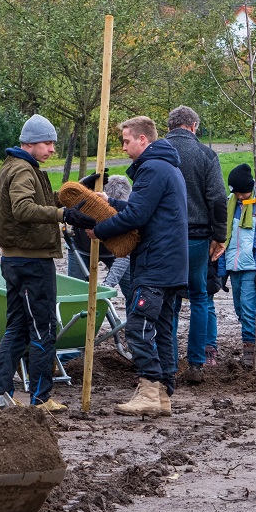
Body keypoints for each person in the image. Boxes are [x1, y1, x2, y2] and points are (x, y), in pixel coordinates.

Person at [0, 114, 87, 412]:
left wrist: (65, 198)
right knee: (42, 329)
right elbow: (23, 208)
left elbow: (36, 201)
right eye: (48, 143)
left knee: (17, 327)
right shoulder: (22, 171)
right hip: (33, 263)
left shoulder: (18, 166)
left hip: (16, 261)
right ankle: (41, 399)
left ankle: (0, 393)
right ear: (30, 142)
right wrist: (63, 215)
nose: (52, 150)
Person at [93, 116, 189, 416]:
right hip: (172, 263)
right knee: (162, 328)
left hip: (155, 263)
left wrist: (99, 229)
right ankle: (161, 394)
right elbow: (143, 209)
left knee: (138, 327)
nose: (123, 147)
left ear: (143, 140)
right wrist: (110, 202)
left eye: (126, 141)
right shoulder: (168, 168)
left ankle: (149, 388)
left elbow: (136, 217)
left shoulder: (151, 168)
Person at [163, 106, 228, 382]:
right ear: (193, 127)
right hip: (198, 237)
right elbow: (218, 199)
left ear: (171, 126)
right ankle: (197, 363)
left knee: (170, 299)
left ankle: (169, 362)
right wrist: (220, 235)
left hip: (165, 237)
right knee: (200, 297)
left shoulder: (157, 152)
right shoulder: (206, 155)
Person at [217, 163, 256, 366]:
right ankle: (252, 344)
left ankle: (250, 351)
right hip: (234, 265)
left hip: (252, 266)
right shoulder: (231, 203)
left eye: (241, 193)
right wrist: (222, 269)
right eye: (235, 193)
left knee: (248, 307)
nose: (238, 197)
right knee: (239, 308)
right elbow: (224, 238)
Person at [64, 174, 133, 298]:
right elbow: (68, 197)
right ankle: (77, 318)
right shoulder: (90, 205)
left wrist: (107, 286)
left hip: (114, 253)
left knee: (133, 292)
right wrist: (83, 184)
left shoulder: (128, 214)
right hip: (81, 249)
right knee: (75, 293)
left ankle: (134, 318)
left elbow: (125, 256)